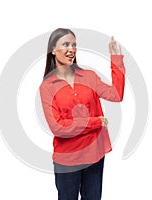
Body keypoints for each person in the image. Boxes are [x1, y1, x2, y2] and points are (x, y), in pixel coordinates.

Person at [39, 28, 125, 200]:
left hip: (94, 156)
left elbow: (116, 95)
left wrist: (116, 60)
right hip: (67, 162)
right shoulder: (47, 86)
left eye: (74, 45)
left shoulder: (89, 77)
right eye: (65, 44)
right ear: (53, 50)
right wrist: (95, 122)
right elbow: (58, 127)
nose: (71, 49)